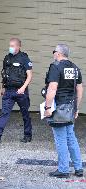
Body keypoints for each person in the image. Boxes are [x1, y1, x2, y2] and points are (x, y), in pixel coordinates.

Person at [44, 44, 83, 178]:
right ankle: (78, 168)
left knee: (60, 139)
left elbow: (52, 88)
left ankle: (63, 170)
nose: (53, 54)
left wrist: (48, 108)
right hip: (70, 107)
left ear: (59, 54)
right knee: (71, 137)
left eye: (54, 51)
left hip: (59, 108)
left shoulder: (55, 67)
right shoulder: (75, 68)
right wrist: (76, 108)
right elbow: (80, 89)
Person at [0, 38, 33, 143]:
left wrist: (23, 88)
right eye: (10, 45)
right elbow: (4, 74)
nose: (11, 47)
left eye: (13, 46)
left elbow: (30, 75)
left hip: (21, 90)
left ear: (18, 46)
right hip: (9, 90)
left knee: (25, 113)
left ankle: (28, 135)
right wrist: (2, 87)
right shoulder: (7, 58)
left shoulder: (24, 58)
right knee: (4, 112)